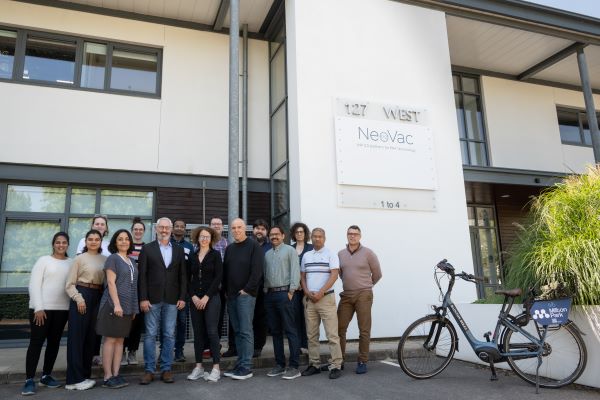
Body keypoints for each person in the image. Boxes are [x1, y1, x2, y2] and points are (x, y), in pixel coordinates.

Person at [21, 232, 72, 396]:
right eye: (58, 242)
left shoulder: (71, 263)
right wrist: (38, 307)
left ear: (68, 245)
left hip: (62, 310)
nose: (61, 245)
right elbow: (34, 285)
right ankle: (29, 380)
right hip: (41, 309)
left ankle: (46, 376)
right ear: (53, 244)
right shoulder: (43, 260)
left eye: (64, 242)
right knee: (36, 343)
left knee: (54, 343)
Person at [138, 217, 187, 385]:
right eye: (161, 228)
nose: (164, 230)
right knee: (150, 335)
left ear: (171, 229)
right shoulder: (147, 249)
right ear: (157, 229)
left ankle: (166, 369)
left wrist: (182, 297)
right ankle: (149, 370)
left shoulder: (179, 250)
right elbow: (142, 276)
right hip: (152, 299)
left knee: (168, 334)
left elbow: (183, 276)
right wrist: (143, 298)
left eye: (167, 228)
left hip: (173, 299)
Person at [65, 229, 107, 391]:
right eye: (90, 239)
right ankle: (72, 379)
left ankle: (84, 376)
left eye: (97, 239)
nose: (93, 241)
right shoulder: (79, 259)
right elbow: (69, 284)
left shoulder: (105, 259)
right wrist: (78, 298)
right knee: (76, 338)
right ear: (86, 241)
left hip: (98, 296)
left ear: (101, 242)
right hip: (82, 295)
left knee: (91, 338)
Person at [96, 229, 139, 389]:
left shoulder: (132, 261)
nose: (124, 242)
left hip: (128, 307)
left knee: (120, 341)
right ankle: (107, 377)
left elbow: (134, 287)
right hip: (113, 305)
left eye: (126, 239)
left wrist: (134, 307)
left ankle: (116, 374)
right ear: (115, 242)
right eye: (120, 239)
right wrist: (117, 304)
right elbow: (111, 283)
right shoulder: (113, 259)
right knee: (110, 339)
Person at [337, 225, 382, 374]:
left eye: (355, 234)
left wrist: (367, 286)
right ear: (346, 235)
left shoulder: (368, 253)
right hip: (347, 295)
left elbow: (377, 274)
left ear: (360, 236)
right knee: (339, 328)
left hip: (364, 294)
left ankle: (362, 360)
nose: (352, 236)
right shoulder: (341, 254)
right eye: (350, 233)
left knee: (364, 330)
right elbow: (341, 273)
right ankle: (339, 360)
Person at [222, 218, 264, 380]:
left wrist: (246, 290)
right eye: (233, 228)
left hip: (246, 296)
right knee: (238, 331)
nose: (236, 230)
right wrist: (226, 291)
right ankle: (240, 364)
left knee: (245, 331)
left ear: (244, 228)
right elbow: (226, 272)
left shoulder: (254, 246)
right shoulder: (230, 248)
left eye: (239, 227)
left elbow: (257, 271)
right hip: (231, 296)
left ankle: (246, 367)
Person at [300, 228, 343, 379]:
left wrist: (321, 292)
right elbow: (302, 276)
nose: (317, 239)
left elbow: (334, 275)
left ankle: (336, 365)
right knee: (311, 335)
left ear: (324, 238)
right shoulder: (306, 255)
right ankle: (314, 364)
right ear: (311, 238)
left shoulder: (331, 254)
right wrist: (306, 292)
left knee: (332, 334)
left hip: (326, 299)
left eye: (320, 237)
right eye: (315, 236)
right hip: (310, 300)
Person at [263, 225, 301, 380]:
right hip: (270, 296)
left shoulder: (290, 251)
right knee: (276, 332)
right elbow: (265, 274)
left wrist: (291, 291)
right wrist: (266, 290)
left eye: (277, 234)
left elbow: (295, 271)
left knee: (290, 330)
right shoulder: (267, 254)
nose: (274, 237)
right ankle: (280, 365)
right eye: (271, 234)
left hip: (286, 294)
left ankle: (294, 366)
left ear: (283, 235)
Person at [186, 227, 223, 382]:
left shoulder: (215, 255)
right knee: (198, 333)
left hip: (211, 298)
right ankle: (199, 367)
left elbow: (218, 277)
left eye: (207, 236)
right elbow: (187, 278)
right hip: (195, 299)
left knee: (212, 332)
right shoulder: (192, 256)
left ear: (211, 238)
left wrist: (206, 297)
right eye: (201, 236)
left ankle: (216, 368)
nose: (204, 239)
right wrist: (193, 296)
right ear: (197, 238)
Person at [75, 215, 111, 367]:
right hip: (84, 287)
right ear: (92, 225)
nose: (99, 226)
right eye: (97, 223)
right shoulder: (84, 241)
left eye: (102, 224)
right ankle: (81, 354)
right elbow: (79, 264)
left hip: (102, 288)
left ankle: (95, 354)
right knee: (84, 323)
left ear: (106, 227)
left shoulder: (109, 245)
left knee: (97, 322)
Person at [121, 217, 145, 366]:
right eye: (135, 229)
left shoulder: (147, 248)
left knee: (136, 323)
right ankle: (122, 351)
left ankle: (132, 351)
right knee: (124, 322)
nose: (137, 231)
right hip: (125, 289)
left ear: (143, 232)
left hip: (140, 290)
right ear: (132, 231)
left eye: (140, 229)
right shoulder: (125, 248)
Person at [170, 218, 194, 363]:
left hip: (183, 291)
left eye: (181, 226)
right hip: (167, 290)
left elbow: (191, 268)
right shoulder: (167, 244)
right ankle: (164, 352)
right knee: (166, 324)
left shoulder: (189, 246)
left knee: (181, 322)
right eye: (176, 226)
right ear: (172, 228)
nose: (179, 228)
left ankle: (179, 351)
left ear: (185, 229)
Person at [290, 222, 313, 352]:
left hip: (308, 289)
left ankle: (307, 344)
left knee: (308, 317)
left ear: (305, 234)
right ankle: (298, 345)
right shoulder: (290, 248)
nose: (299, 234)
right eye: (297, 232)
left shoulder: (311, 248)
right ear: (294, 234)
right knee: (295, 316)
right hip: (294, 289)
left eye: (301, 232)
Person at [250, 219, 270, 358]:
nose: (259, 231)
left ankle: (258, 347)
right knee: (246, 319)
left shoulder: (270, 247)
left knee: (260, 319)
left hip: (264, 289)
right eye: (257, 228)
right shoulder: (248, 245)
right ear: (253, 230)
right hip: (248, 288)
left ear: (266, 232)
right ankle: (243, 346)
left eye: (262, 229)